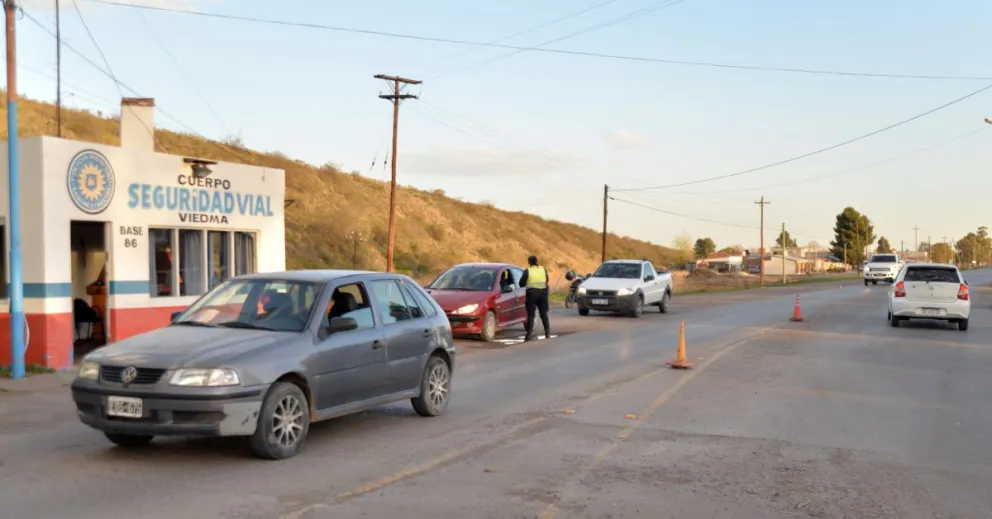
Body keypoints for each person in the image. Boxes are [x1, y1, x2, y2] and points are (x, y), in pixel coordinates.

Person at [519, 255, 551, 341]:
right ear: (537, 261)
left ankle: (529, 334)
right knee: (543, 314)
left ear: (529, 262)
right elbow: (547, 280)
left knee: (531, 315)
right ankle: (547, 333)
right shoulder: (542, 269)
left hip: (532, 294)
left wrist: (527, 285)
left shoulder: (528, 271)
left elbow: (521, 283)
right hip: (543, 293)